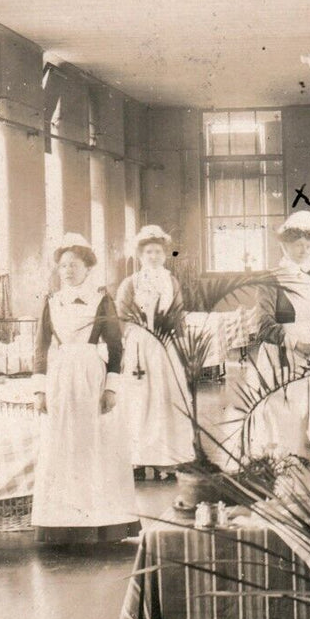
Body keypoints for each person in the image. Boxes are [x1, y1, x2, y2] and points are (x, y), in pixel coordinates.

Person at [30, 233, 137, 544]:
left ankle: (102, 523)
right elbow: (40, 347)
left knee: (95, 445)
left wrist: (111, 388)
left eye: (74, 265)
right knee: (62, 445)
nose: (67, 271)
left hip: (92, 376)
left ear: (88, 268)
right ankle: (62, 525)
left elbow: (116, 346)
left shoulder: (101, 300)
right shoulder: (51, 301)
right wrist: (39, 390)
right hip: (60, 378)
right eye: (63, 265)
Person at [245, 211, 310, 458]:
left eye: (308, 246)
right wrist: (295, 344)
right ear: (285, 246)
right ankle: (283, 459)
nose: (304, 250)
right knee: (281, 412)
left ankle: (301, 455)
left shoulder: (309, 282)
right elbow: (263, 324)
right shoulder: (271, 279)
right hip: (280, 355)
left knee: (305, 410)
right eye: (298, 245)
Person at [114, 225, 194, 476]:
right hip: (139, 346)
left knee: (165, 398)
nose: (153, 256)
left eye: (158, 251)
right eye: (148, 252)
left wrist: (180, 343)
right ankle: (136, 460)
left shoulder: (171, 281)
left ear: (165, 254)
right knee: (139, 400)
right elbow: (120, 315)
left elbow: (178, 314)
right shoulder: (130, 283)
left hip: (165, 346)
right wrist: (134, 336)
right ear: (140, 255)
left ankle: (165, 460)